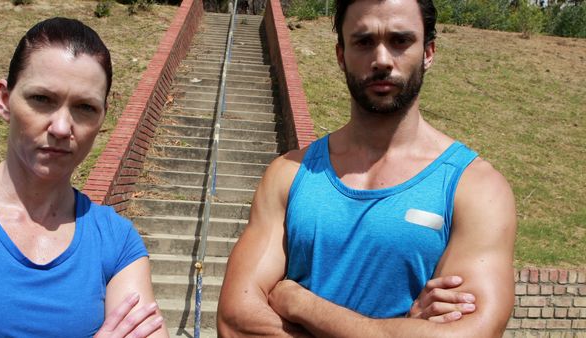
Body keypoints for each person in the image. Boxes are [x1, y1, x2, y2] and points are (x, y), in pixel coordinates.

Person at [217, 0, 517, 336]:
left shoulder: (476, 188)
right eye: (363, 42)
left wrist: (301, 304)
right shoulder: (288, 175)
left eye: (400, 41)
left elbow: (473, 333)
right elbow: (235, 322)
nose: (382, 60)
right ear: (341, 55)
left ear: (428, 52)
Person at [0, 17, 168, 337]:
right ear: (5, 100)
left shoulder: (116, 241)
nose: (62, 128)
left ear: (103, 116)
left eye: (85, 107)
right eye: (42, 99)